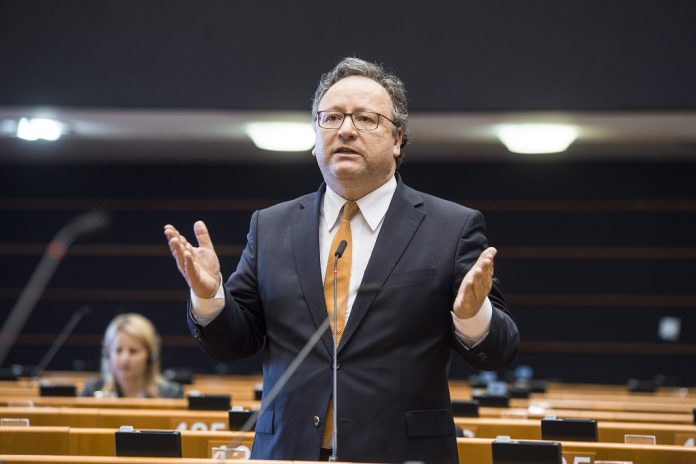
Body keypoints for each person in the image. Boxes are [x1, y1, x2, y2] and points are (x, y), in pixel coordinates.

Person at [164, 57, 519, 463]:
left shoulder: (450, 227)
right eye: (331, 117)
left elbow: (500, 350)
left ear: (398, 139)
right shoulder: (271, 226)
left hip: (401, 452)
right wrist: (210, 298)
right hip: (287, 451)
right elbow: (234, 343)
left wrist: (472, 317)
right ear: (315, 136)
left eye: (366, 119)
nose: (346, 130)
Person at [80, 313, 183, 398]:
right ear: (107, 354)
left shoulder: (171, 394)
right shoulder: (92, 391)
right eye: (118, 350)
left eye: (133, 351)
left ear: (151, 356)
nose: (125, 359)